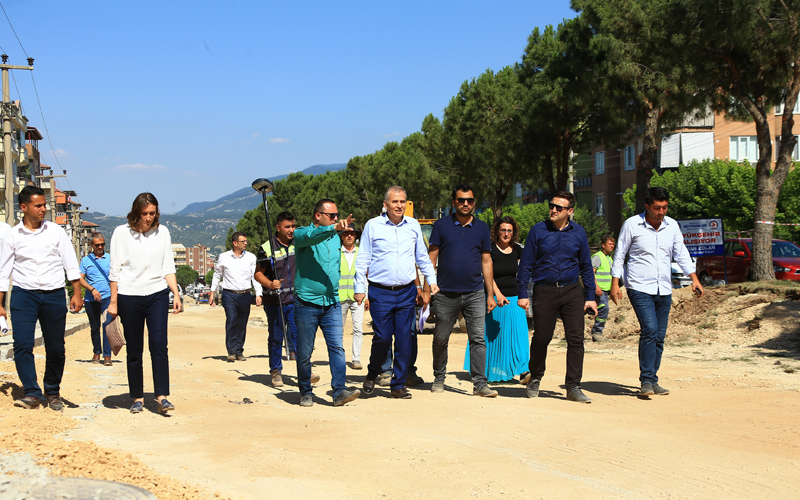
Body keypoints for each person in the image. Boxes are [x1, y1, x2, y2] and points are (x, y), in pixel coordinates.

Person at [610, 187, 703, 397]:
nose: (661, 212)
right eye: (656, 208)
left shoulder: (672, 226)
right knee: (650, 330)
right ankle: (646, 380)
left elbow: (681, 254)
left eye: (664, 207)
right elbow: (620, 255)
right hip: (639, 286)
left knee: (659, 336)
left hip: (664, 288)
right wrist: (615, 284)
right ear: (647, 206)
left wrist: (694, 279)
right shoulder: (632, 225)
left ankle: (652, 380)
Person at [0, 186, 83, 411]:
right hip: (23, 295)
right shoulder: (12, 235)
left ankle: (53, 391)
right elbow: (3, 271)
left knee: (56, 347)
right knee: (23, 344)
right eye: (39, 206)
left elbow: (70, 263)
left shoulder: (56, 231)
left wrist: (77, 292)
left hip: (54, 295)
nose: (44, 209)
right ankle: (32, 392)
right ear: (24, 207)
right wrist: (0, 304)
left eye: (44, 205)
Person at [355, 186, 438, 399]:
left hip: (406, 292)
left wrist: (432, 280)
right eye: (395, 201)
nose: (399, 205)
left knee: (404, 339)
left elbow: (421, 256)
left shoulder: (413, 226)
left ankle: (398, 384)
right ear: (386, 205)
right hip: (380, 292)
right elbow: (363, 258)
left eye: (402, 201)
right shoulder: (372, 226)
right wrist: (359, 288)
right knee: (382, 337)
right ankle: (374, 372)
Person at [517, 191, 598, 404]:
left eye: (559, 208)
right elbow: (526, 265)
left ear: (570, 211)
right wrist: (523, 293)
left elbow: (586, 266)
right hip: (545, 290)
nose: (553, 210)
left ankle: (573, 386)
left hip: (572, 291)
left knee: (576, 339)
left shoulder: (579, 232)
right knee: (542, 337)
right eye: (552, 206)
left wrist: (590, 296)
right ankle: (535, 377)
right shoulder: (538, 231)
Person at [108, 193, 182, 414]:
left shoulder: (163, 232)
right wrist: (113, 302)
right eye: (145, 214)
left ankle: (162, 396)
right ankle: (138, 397)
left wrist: (175, 293)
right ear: (136, 213)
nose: (149, 218)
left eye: (152, 213)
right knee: (135, 349)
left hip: (157, 294)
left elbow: (168, 265)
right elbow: (115, 270)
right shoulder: (121, 233)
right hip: (129, 295)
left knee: (159, 344)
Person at [428, 184, 498, 398]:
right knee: (441, 337)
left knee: (478, 338)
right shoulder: (441, 225)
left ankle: (480, 384)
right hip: (445, 293)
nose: (465, 204)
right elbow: (431, 258)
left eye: (469, 200)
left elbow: (486, 261)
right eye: (461, 200)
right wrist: (426, 288)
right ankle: (439, 377)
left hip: (475, 293)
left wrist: (489, 293)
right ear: (453, 202)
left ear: (474, 202)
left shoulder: (482, 228)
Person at [293, 199, 361, 407]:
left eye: (336, 215)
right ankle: (306, 391)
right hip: (306, 303)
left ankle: (339, 390)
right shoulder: (302, 234)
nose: (335, 219)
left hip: (332, 302)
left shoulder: (335, 239)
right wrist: (334, 227)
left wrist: (334, 230)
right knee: (305, 352)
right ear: (318, 216)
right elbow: (312, 236)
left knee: (337, 348)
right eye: (331, 215)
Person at [464, 216, 529, 382]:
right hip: (493, 298)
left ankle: (524, 370)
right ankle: (486, 370)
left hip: (514, 299)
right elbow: (488, 274)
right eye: (503, 230)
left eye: (509, 231)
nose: (506, 234)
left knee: (520, 336)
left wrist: (524, 294)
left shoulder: (518, 250)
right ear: (497, 232)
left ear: (513, 233)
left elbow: (524, 272)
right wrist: (496, 293)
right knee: (493, 337)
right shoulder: (490, 249)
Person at [254, 211, 306, 388]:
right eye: (287, 227)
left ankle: (303, 371)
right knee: (276, 337)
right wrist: (270, 283)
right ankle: (275, 370)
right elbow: (257, 274)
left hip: (295, 299)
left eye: (293, 226)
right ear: (278, 227)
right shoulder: (267, 248)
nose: (291, 230)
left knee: (299, 336)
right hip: (274, 301)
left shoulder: (298, 243)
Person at [210, 232, 263, 362]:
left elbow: (255, 276)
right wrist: (212, 292)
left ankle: (239, 350)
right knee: (232, 320)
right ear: (235, 243)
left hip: (245, 294)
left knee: (242, 323)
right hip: (229, 294)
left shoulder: (250, 257)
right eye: (243, 241)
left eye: (246, 241)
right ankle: (231, 351)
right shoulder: (223, 257)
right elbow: (217, 275)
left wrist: (258, 293)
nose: (246, 243)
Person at [79, 231, 113, 366]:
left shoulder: (111, 259)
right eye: (98, 245)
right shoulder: (86, 261)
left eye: (102, 244)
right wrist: (92, 289)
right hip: (90, 299)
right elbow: (80, 279)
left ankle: (107, 355)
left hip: (107, 298)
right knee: (94, 327)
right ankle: (96, 352)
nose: (100, 247)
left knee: (107, 326)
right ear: (92, 245)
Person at [339, 223, 367, 370]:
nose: (349, 236)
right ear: (341, 235)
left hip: (358, 297)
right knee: (339, 330)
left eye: (352, 233)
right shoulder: (337, 252)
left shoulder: (361, 253)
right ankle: (339, 359)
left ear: (356, 236)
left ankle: (356, 359)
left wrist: (366, 295)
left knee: (358, 329)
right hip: (340, 297)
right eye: (346, 233)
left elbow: (366, 275)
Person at [590, 235, 615, 342]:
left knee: (596, 309)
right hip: (598, 290)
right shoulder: (598, 257)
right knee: (604, 308)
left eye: (613, 244)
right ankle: (597, 332)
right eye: (610, 244)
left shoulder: (609, 258)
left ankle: (597, 332)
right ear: (603, 245)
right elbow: (590, 273)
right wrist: (596, 286)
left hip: (605, 290)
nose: (612, 246)